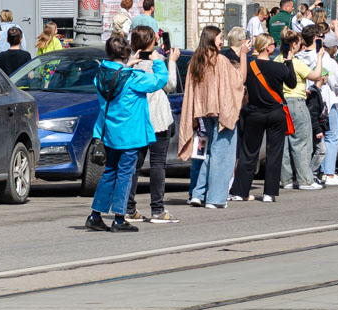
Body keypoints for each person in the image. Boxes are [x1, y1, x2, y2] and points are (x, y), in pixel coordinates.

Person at [87, 32, 168, 232]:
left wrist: (126, 64)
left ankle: (95, 214)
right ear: (127, 53)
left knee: (109, 173)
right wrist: (158, 61)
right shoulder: (132, 78)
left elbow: (116, 74)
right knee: (125, 175)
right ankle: (119, 217)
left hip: (110, 132)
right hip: (130, 134)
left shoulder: (101, 74)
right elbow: (159, 81)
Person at [178, 25, 244, 208]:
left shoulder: (195, 61)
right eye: (220, 38)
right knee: (222, 155)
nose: (222, 41)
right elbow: (239, 81)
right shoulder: (220, 60)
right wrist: (244, 55)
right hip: (221, 111)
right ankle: (215, 198)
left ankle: (198, 193)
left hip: (202, 111)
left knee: (209, 153)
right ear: (211, 39)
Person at [230, 35, 297, 203]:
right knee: (274, 153)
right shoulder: (279, 67)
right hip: (275, 113)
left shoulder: (250, 66)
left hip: (254, 113)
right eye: (273, 44)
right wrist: (289, 61)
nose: (275, 47)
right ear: (268, 48)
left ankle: (239, 191)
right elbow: (292, 83)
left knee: (248, 152)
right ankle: (269, 193)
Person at [123, 25, 179, 223]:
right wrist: (170, 62)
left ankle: (128, 208)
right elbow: (170, 85)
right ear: (153, 40)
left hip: (136, 119)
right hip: (157, 119)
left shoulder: (129, 63)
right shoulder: (157, 62)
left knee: (133, 166)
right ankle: (158, 209)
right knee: (157, 164)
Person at [278, 29, 325, 191]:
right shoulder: (296, 63)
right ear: (294, 44)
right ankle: (305, 179)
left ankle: (286, 179)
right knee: (302, 142)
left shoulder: (277, 60)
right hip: (297, 102)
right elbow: (316, 76)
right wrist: (319, 58)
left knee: (284, 143)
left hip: (281, 104)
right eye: (298, 43)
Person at [314, 33, 338, 186]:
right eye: (336, 46)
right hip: (332, 101)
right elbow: (336, 83)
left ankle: (325, 170)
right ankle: (329, 172)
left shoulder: (320, 58)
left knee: (328, 135)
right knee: (333, 136)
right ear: (332, 47)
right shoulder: (329, 61)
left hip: (324, 100)